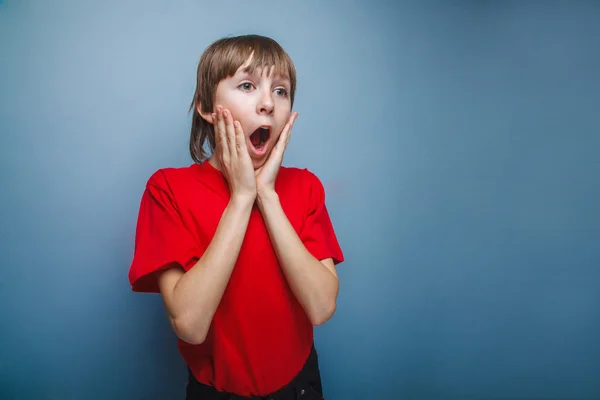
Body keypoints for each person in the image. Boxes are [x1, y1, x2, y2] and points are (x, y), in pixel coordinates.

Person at [128, 34, 344, 400]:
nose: (267, 104)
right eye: (247, 85)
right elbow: (191, 326)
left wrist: (267, 196)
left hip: (300, 387)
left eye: (281, 90)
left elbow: (322, 308)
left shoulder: (306, 187)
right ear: (206, 107)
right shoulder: (167, 189)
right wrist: (242, 198)